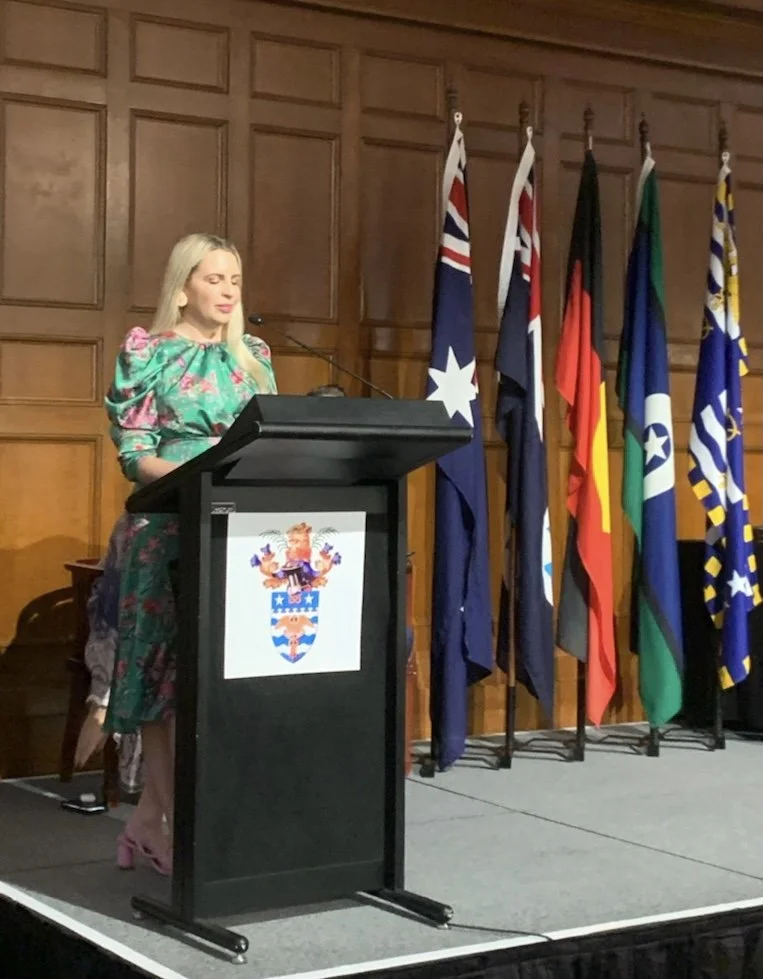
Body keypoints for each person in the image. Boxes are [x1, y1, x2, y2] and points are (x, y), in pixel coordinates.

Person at [104, 232, 277, 875]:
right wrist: (196, 479)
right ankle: (175, 822)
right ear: (182, 288)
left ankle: (148, 823)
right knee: (162, 678)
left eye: (235, 279)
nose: (228, 291)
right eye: (214, 279)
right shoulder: (149, 353)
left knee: (212, 675)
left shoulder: (253, 357)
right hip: (167, 529)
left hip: (235, 532)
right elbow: (136, 453)